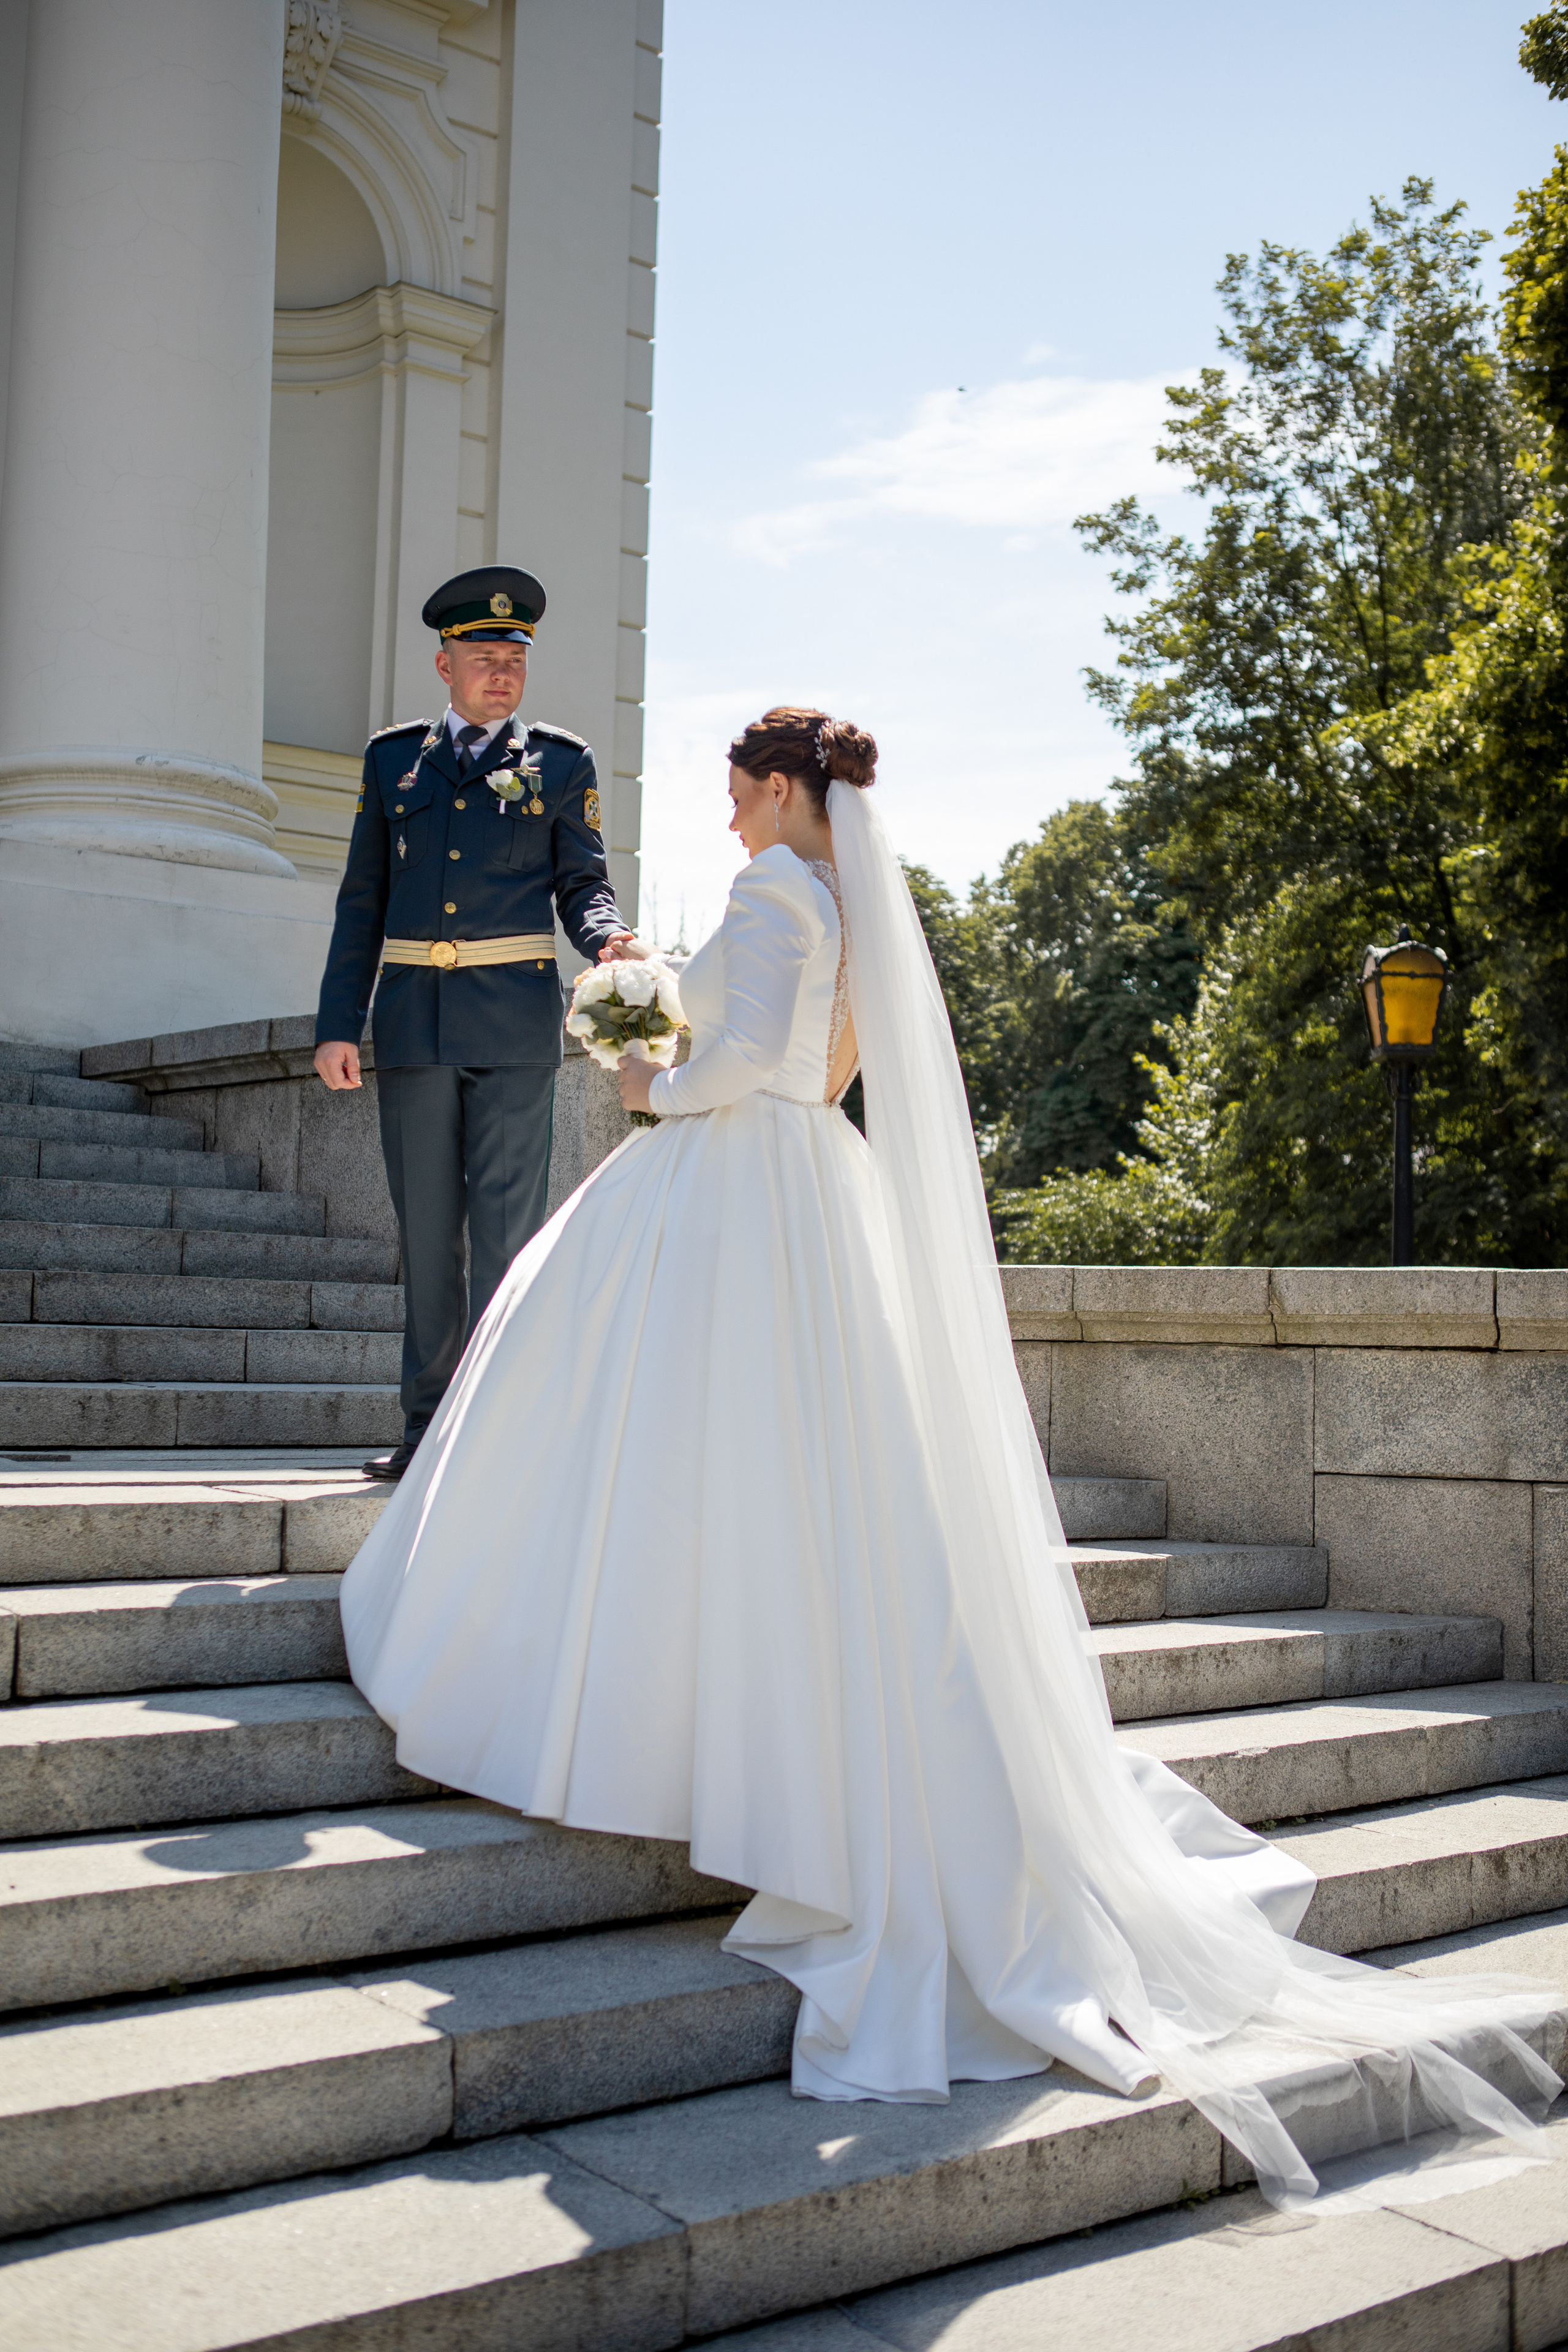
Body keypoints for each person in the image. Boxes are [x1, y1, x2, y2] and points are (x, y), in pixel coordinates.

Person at [339, 706, 1559, 2208]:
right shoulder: (852, 904)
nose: (727, 820)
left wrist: (645, 1074)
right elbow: (823, 1063)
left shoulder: (772, 892)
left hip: (732, 1179)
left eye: (737, 796)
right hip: (805, 1197)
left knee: (664, 1465)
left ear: (783, 792)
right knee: (803, 1492)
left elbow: (760, 1066)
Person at [312, 565, 635, 1482]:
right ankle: (425, 1434)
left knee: (507, 1239)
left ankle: (500, 1434)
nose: (502, 672)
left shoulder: (561, 764)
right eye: (484, 657)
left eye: (514, 659)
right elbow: (361, 901)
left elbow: (585, 882)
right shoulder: (393, 761)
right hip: (414, 1026)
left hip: (514, 1030)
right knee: (427, 1237)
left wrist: (608, 940)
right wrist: (342, 1023)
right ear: (444, 663)